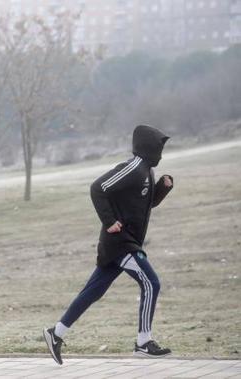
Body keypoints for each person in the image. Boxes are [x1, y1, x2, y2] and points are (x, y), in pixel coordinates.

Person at [43, 125, 175, 365]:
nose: (161, 153)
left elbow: (144, 204)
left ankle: (56, 333)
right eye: (159, 147)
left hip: (126, 242)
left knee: (93, 291)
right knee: (151, 283)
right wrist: (110, 221)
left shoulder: (146, 171)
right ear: (148, 147)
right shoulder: (132, 169)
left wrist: (163, 190)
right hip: (120, 242)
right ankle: (143, 342)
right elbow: (97, 188)